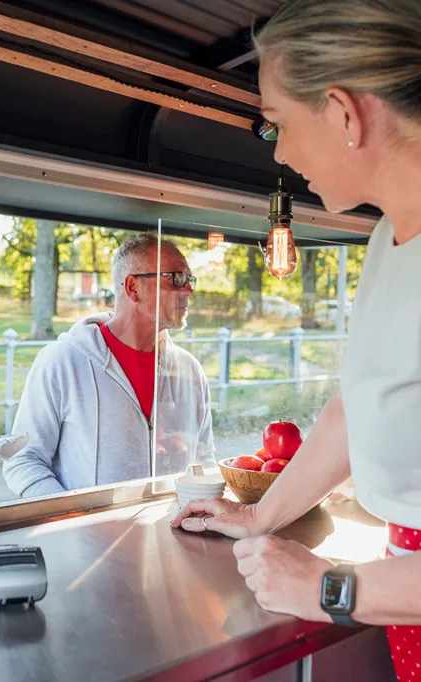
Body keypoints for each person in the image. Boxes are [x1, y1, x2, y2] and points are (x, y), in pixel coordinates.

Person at [171, 1, 421, 678]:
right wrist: (261, 517)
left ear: (344, 113)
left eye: (276, 124)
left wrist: (327, 587)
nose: (278, 152)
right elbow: (359, 402)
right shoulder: (387, 238)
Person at [3, 233, 216, 498]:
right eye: (176, 278)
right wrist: (72, 520)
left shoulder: (189, 370)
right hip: (87, 536)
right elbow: (23, 460)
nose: (189, 290)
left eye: (189, 279)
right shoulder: (63, 362)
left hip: (172, 532)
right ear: (133, 288)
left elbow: (204, 459)